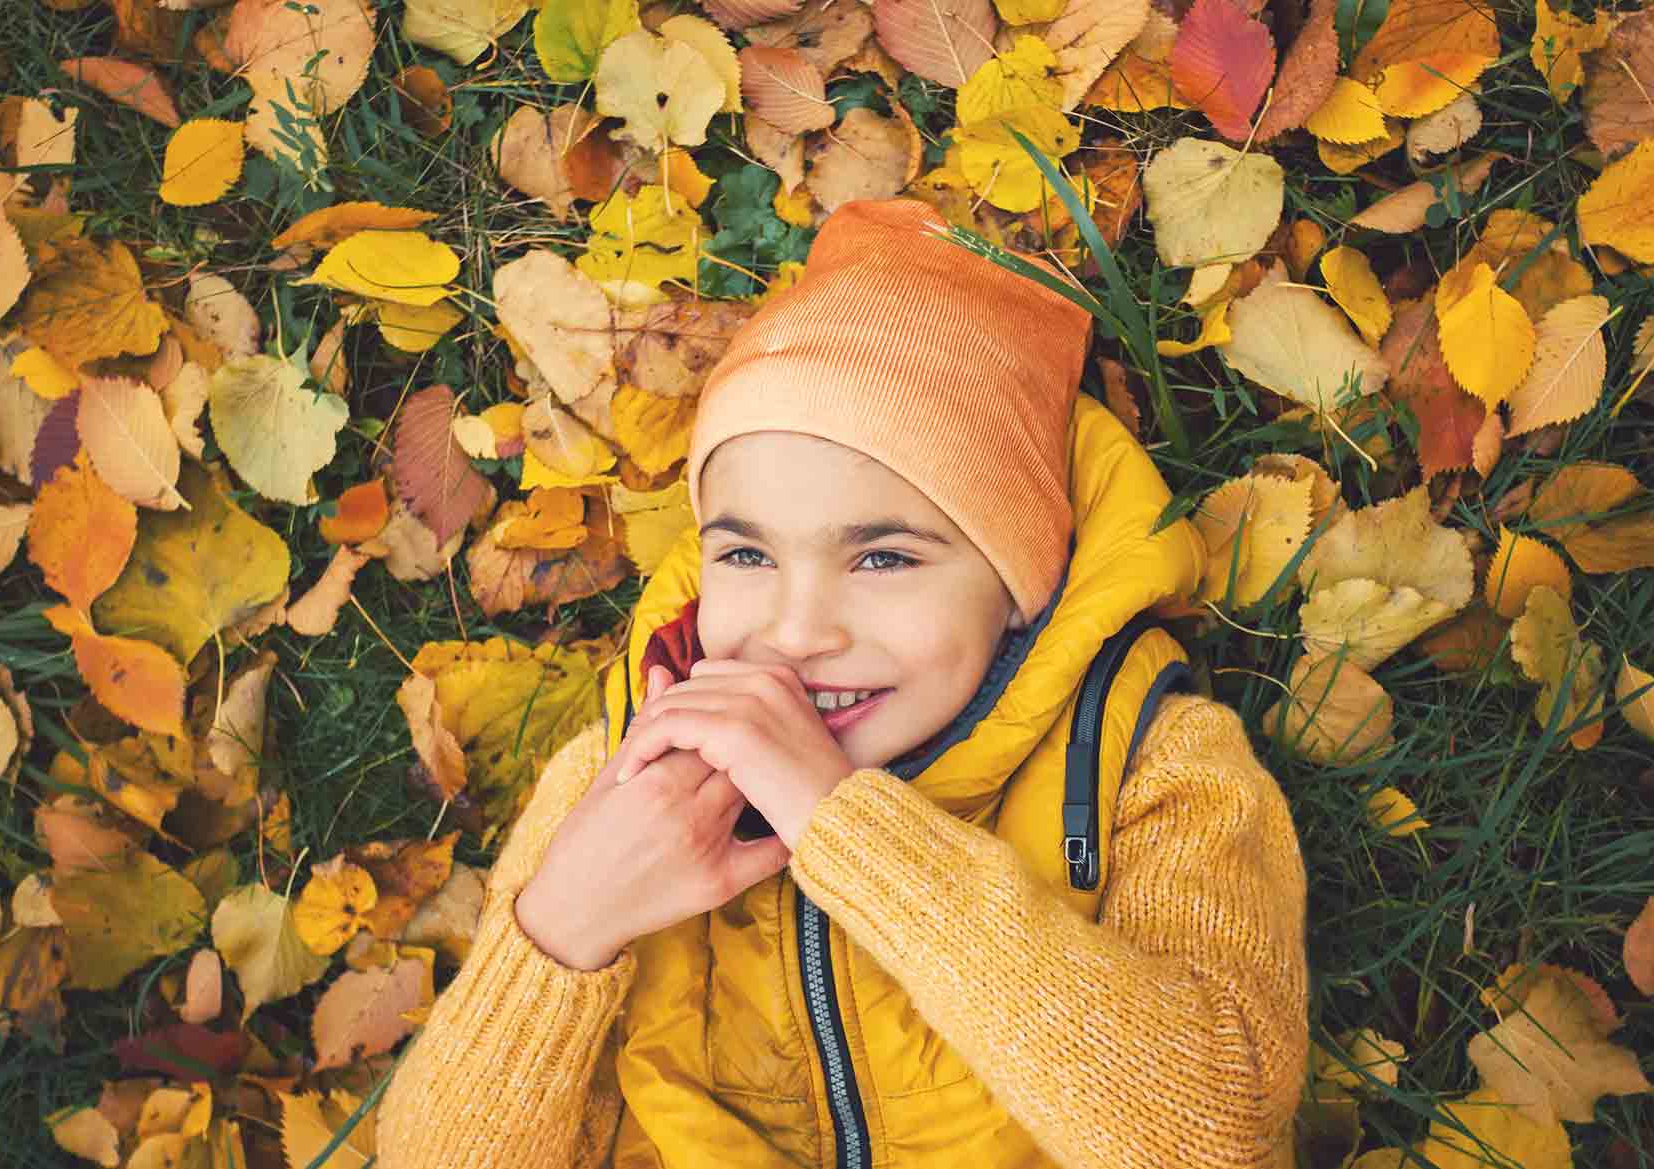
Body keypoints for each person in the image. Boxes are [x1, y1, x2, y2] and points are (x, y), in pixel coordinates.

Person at [375, 197, 1310, 1169]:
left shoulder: (1152, 763)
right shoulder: (628, 768)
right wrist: (561, 926)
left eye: (881, 560)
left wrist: (842, 826)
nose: (793, 629)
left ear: (1019, 580)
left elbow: (1217, 1133)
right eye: (745, 554)